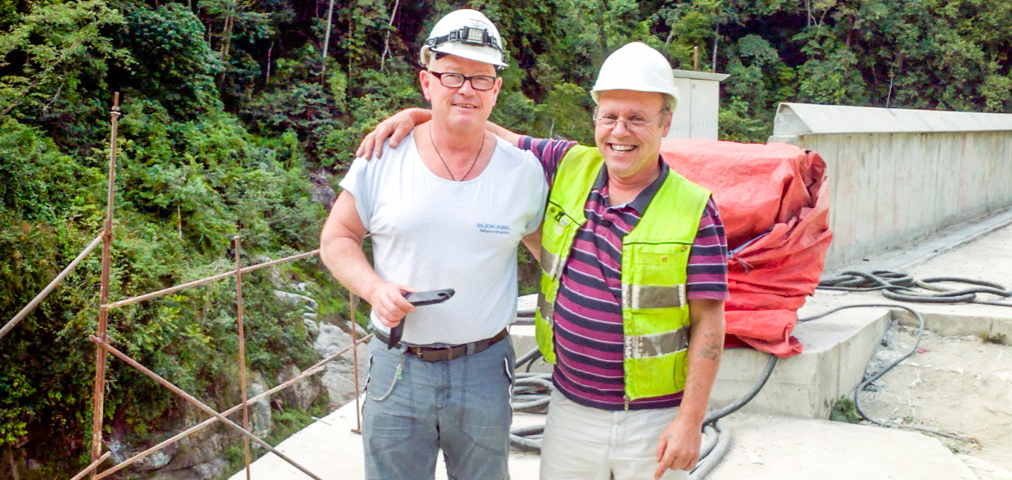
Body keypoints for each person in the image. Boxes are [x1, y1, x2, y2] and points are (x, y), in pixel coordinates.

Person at [357, 42, 728, 480]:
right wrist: (422, 115)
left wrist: (689, 421)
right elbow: (489, 132)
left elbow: (710, 322)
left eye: (637, 118)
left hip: (652, 419)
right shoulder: (571, 165)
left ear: (665, 122)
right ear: (595, 119)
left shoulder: (694, 209)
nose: (620, 131)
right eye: (609, 116)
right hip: (570, 408)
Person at [319, 9, 547, 480]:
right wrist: (374, 288)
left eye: (481, 78)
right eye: (452, 74)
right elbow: (337, 237)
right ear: (427, 81)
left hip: (484, 369)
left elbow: (554, 257)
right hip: (397, 367)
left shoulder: (523, 172)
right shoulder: (382, 157)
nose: (466, 88)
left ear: (496, 89)